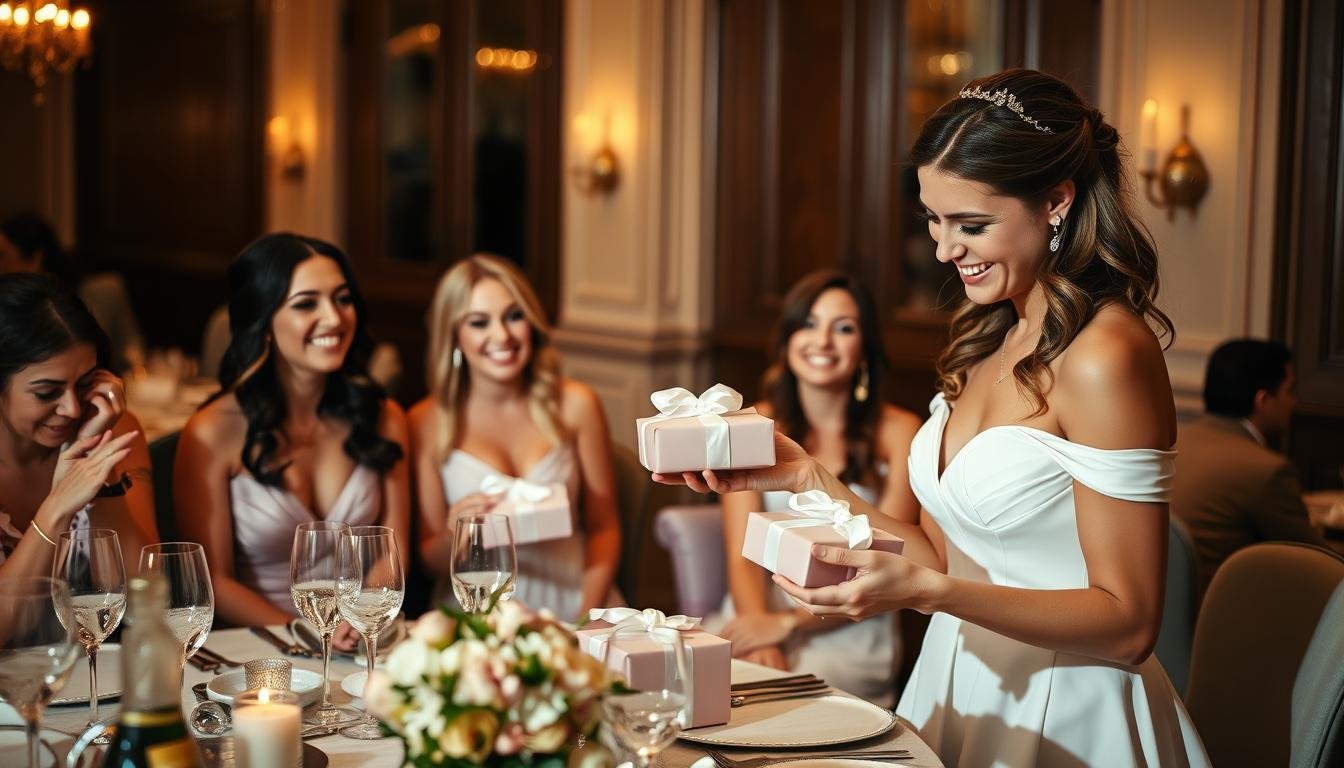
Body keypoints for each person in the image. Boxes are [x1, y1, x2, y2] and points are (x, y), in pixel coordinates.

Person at [656, 69, 1209, 766]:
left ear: (1056, 201)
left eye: (971, 225)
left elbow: (1128, 623)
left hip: (1066, 710)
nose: (945, 250)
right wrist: (805, 475)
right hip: (955, 680)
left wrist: (932, 593)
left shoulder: (1106, 355)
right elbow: (942, 557)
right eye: (933, 220)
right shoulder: (988, 338)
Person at [174, 233, 410, 646]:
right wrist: (305, 633)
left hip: (363, 639)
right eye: (306, 304)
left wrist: (361, 619)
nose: (334, 318)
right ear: (264, 320)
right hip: (261, 645)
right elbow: (214, 580)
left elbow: (395, 548)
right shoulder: (212, 431)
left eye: (342, 299)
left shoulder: (383, 416)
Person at [709, 270, 922, 707]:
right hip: (757, 611)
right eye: (808, 323)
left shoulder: (901, 431)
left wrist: (787, 625)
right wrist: (759, 628)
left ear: (864, 347)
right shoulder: (751, 425)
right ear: (787, 339)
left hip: (852, 623)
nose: (822, 341)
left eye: (843, 328)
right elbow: (741, 554)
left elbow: (889, 558)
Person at [409, 254, 621, 623]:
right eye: (479, 322)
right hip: (476, 611)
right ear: (454, 334)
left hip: (577, 599)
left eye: (514, 316)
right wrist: (454, 534)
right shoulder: (426, 421)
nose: (502, 336)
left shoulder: (577, 405)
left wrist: (586, 617)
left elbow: (605, 527)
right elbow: (430, 561)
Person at [0, 273, 155, 577]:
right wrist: (59, 505)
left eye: (85, 384)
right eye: (47, 392)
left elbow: (142, 587)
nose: (72, 409)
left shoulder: (115, 430)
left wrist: (97, 459)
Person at [1171, 339, 1327, 599]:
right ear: (1263, 399)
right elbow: (1320, 562)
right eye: (1290, 390)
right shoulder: (1268, 470)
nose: (1295, 401)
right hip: (1218, 613)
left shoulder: (1171, 443)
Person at [0, 213, 145, 373]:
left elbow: (132, 348)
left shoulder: (100, 292)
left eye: (3, 255)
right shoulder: (8, 311)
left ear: (35, 258)